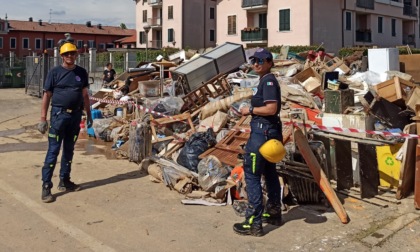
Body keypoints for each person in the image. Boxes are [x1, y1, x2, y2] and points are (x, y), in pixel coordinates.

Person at [234, 48, 283, 236]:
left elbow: (271, 108)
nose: (256, 64)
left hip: (262, 134)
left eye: (261, 61)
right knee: (270, 172)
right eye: (254, 61)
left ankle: (253, 222)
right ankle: (274, 213)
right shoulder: (264, 80)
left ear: (269, 62)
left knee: (252, 173)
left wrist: (250, 110)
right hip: (268, 133)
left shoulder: (269, 81)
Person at [38, 41, 92, 203]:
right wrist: (43, 118)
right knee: (53, 152)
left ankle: (65, 180)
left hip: (75, 117)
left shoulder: (82, 72)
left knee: (69, 150)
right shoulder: (54, 72)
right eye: (67, 54)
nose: (70, 56)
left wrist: (88, 114)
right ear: (62, 56)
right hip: (58, 116)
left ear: (76, 55)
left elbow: (85, 95)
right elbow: (47, 95)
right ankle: (46, 185)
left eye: (72, 53)